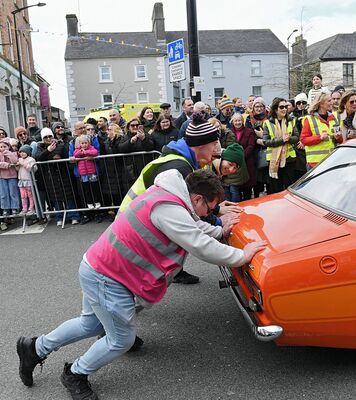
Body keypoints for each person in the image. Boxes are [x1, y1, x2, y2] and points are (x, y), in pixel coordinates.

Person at [15, 168, 267, 399]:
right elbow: (199, 244)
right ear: (198, 198)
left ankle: (35, 348)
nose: (209, 214)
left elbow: (191, 226)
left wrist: (220, 229)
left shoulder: (167, 194)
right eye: (209, 207)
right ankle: (76, 373)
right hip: (109, 277)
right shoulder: (171, 209)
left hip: (99, 267)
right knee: (120, 340)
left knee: (90, 323)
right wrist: (242, 256)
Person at [118, 112, 225, 285]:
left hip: (134, 221)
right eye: (214, 144)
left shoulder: (180, 159)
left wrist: (218, 210)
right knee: (130, 282)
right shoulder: (179, 167)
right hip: (134, 228)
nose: (217, 150)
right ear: (201, 145)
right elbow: (189, 211)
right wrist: (219, 223)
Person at [35, 128, 81, 226]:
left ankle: (74, 216)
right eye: (45, 137)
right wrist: (48, 151)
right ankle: (59, 217)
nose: (48, 139)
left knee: (68, 196)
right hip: (50, 176)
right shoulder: (40, 147)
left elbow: (63, 155)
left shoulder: (60, 144)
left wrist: (52, 156)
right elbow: (39, 158)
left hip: (63, 173)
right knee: (56, 197)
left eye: (50, 136)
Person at [262, 97, 297, 193]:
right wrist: (282, 140)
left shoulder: (291, 120)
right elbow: (265, 141)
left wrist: (289, 139)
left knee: (289, 188)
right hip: (274, 160)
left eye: (286, 106)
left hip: (289, 159)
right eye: (281, 107)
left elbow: (297, 138)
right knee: (276, 189)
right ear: (275, 109)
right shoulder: (268, 123)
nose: (285, 109)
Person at [300, 92, 341, 168]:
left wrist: (338, 137)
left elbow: (340, 139)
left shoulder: (333, 118)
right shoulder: (309, 119)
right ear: (321, 104)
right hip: (315, 164)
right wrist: (320, 138)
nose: (332, 102)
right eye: (329, 101)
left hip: (330, 161)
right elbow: (303, 140)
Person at [246, 97, 270, 197]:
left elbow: (272, 132)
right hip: (255, 150)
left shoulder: (269, 118)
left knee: (268, 175)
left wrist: (263, 136)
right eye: (256, 106)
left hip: (268, 148)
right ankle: (257, 195)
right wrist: (257, 140)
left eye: (261, 106)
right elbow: (249, 133)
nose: (259, 108)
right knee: (257, 176)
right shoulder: (249, 119)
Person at [230, 113, 256, 200]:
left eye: (239, 120)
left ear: (243, 121)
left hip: (247, 162)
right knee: (236, 191)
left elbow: (251, 146)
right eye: (236, 121)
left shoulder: (249, 131)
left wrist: (241, 157)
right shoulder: (229, 132)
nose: (238, 122)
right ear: (232, 122)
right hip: (234, 165)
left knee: (247, 190)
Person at [0, 138, 20, 217]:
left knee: (13, 192)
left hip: (12, 176)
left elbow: (15, 162)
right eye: (1, 147)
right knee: (4, 193)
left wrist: (9, 155)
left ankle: (15, 207)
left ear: (8, 147)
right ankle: (5, 208)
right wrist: (6, 165)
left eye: (5, 146)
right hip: (2, 177)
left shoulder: (13, 153)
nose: (3, 148)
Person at [73, 135, 101, 210]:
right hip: (83, 174)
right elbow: (75, 154)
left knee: (94, 187)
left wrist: (87, 152)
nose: (84, 145)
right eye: (82, 143)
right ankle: (89, 203)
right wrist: (82, 152)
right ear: (80, 144)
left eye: (86, 143)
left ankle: (97, 202)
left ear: (88, 143)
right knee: (87, 189)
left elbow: (95, 152)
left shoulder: (91, 148)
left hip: (92, 172)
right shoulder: (78, 150)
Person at [291, 93, 309, 181]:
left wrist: (304, 142)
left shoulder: (310, 114)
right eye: (298, 103)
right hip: (296, 146)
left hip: (307, 146)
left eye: (303, 102)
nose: (301, 105)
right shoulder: (291, 116)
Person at [17, 145, 36, 216]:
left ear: (28, 152)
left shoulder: (31, 159)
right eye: (21, 152)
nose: (22, 153)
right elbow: (17, 170)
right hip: (21, 180)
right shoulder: (20, 159)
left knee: (30, 195)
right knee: (23, 196)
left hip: (28, 180)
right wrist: (17, 166)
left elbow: (32, 169)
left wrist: (23, 164)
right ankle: (24, 208)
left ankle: (31, 208)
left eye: (24, 152)